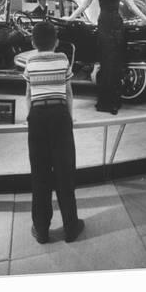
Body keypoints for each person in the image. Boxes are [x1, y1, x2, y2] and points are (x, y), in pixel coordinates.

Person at [65, 0, 146, 114]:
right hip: (104, 26)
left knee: (117, 65)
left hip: (118, 26)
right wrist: (70, 18)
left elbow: (132, 6)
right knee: (106, 64)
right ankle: (105, 103)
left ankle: (115, 101)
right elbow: (84, 4)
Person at [23, 21, 84, 244]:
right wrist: (69, 117)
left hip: (37, 117)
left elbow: (28, 94)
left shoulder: (29, 61)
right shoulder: (62, 59)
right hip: (59, 115)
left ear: (33, 42)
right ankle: (70, 227)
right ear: (56, 42)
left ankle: (41, 229)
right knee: (64, 172)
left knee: (39, 174)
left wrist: (31, 118)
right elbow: (68, 93)